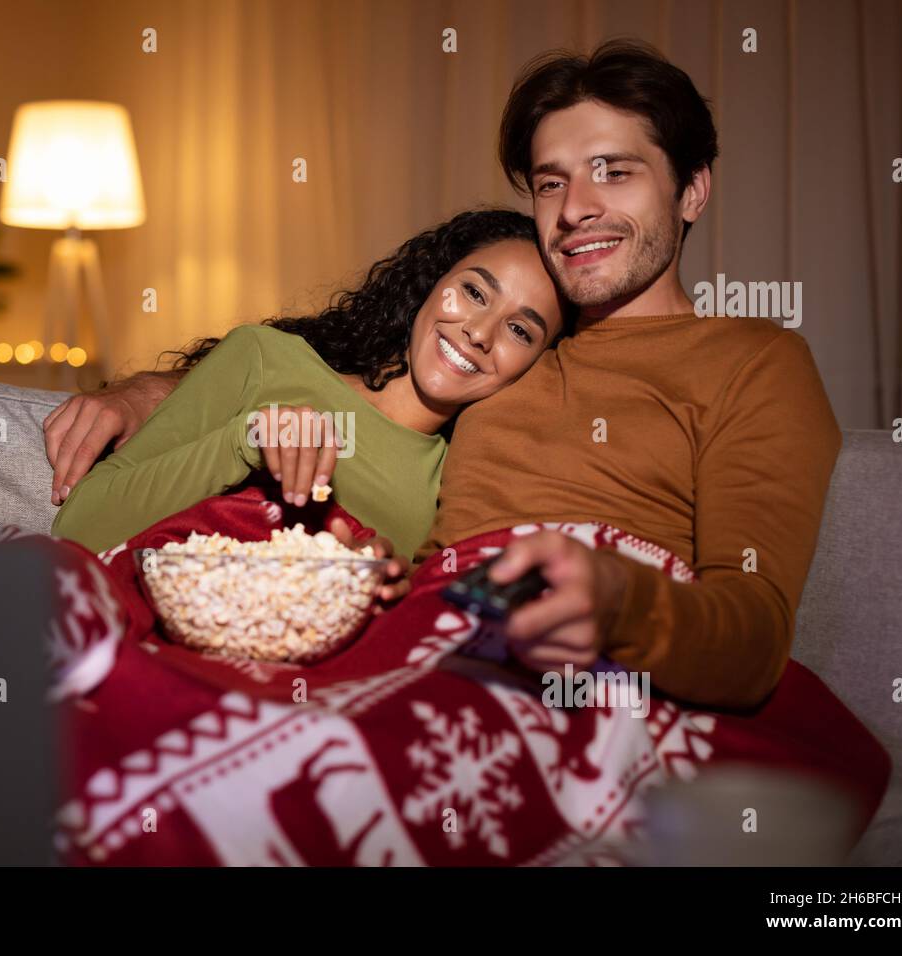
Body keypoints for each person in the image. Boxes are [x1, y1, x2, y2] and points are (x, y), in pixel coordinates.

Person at [44, 40, 841, 712]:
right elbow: (327, 391)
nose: (576, 208)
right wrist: (149, 391)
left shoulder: (755, 362)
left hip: (574, 671)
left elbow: (753, 634)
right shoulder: (509, 366)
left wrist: (616, 599)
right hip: (421, 643)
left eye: (614, 171)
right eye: (553, 181)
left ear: (692, 190)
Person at [49, 207, 564, 560]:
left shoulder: (460, 483)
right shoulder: (266, 359)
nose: (479, 332)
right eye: (474, 292)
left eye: (519, 330)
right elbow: (80, 527)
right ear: (432, 283)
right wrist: (246, 441)